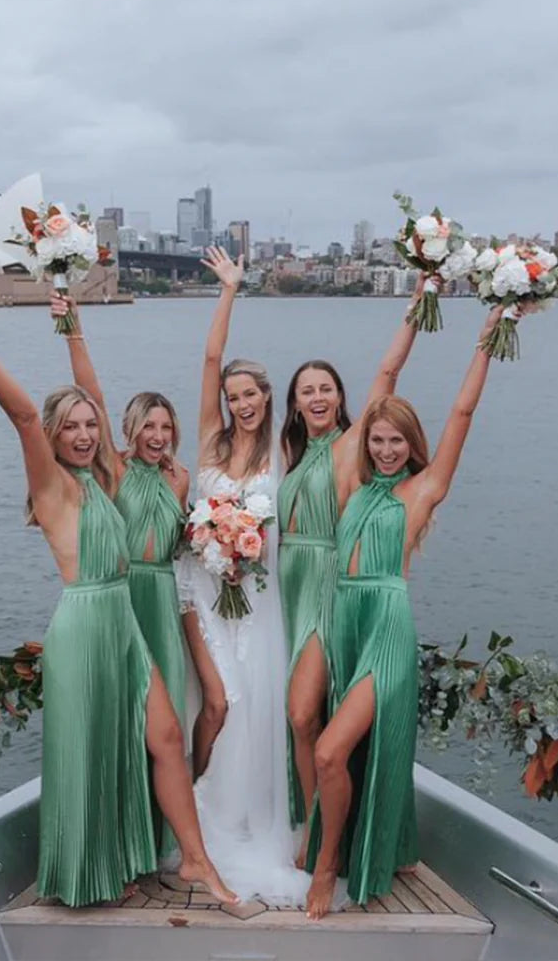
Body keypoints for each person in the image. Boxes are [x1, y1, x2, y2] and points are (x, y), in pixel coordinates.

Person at [0, 328, 235, 908]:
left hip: (126, 624)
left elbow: (95, 392)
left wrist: (78, 331)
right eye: (72, 426)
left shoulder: (107, 479)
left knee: (165, 738)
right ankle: (90, 872)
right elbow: (19, 416)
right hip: (85, 626)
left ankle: (194, 859)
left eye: (92, 425)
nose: (86, 435)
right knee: (91, 752)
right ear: (53, 435)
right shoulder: (52, 486)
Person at [305, 307, 506, 920]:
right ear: (365, 441)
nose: (388, 450)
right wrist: (420, 301)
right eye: (378, 440)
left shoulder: (423, 489)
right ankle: (384, 848)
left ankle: (326, 867)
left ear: (412, 446)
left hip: (387, 631)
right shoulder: (353, 488)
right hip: (345, 622)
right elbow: (382, 378)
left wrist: (488, 341)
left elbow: (463, 414)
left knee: (328, 753)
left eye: (398, 441)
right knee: (353, 753)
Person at [278, 282, 427, 865]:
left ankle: (322, 844)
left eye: (326, 388)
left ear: (340, 398)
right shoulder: (292, 455)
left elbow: (388, 374)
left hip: (325, 589)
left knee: (300, 713)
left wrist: (416, 308)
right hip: (287, 592)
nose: (316, 396)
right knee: (300, 718)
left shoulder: (348, 448)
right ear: (294, 403)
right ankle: (316, 830)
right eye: (305, 390)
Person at [179, 246, 310, 902]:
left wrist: (246, 547)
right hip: (203, 597)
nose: (240, 405)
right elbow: (208, 360)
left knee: (251, 710)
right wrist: (229, 289)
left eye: (250, 394)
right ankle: (195, 825)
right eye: (232, 397)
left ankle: (233, 824)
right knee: (215, 703)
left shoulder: (283, 450)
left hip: (256, 604)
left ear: (266, 395)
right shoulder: (209, 440)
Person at [49, 292, 189, 857]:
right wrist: (72, 329)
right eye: (148, 426)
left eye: (166, 426)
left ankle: (157, 846)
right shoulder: (114, 469)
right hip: (122, 606)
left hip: (164, 601)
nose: (158, 435)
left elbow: (179, 548)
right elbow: (93, 396)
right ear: (130, 430)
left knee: (166, 729)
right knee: (124, 731)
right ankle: (123, 845)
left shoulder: (181, 480)